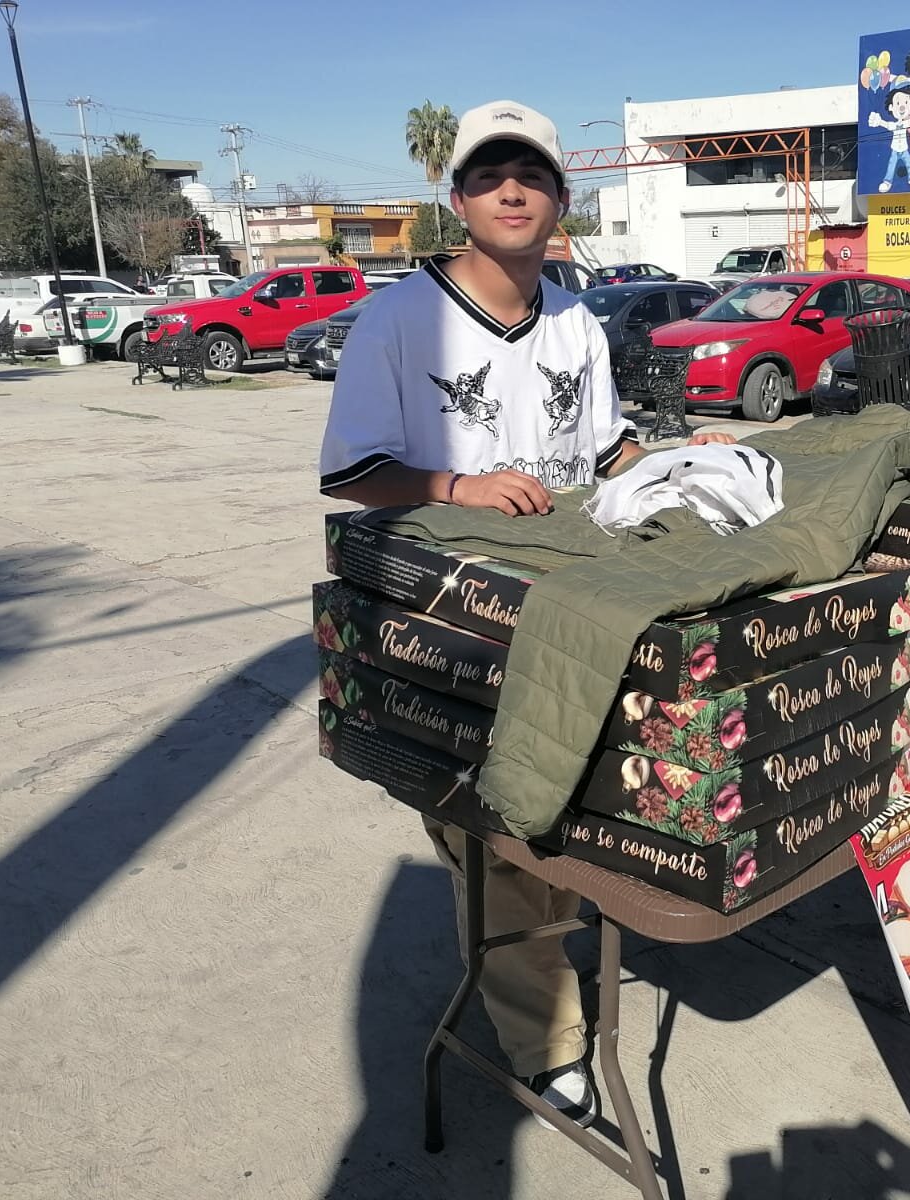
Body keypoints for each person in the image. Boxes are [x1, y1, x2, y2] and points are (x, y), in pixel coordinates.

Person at [318, 99, 734, 1128]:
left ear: (560, 199)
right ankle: (547, 1045)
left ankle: (541, 982)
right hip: (447, 615)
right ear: (455, 197)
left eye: (533, 174)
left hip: (567, 607)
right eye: (487, 173)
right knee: (500, 831)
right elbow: (353, 469)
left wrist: (685, 468)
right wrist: (461, 490)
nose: (511, 189)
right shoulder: (400, 317)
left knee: (560, 828)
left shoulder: (575, 320)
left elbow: (603, 456)